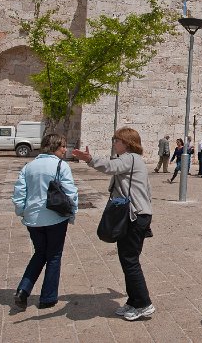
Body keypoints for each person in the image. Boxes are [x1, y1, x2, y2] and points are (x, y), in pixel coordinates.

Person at [73, 128, 154, 321]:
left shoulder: (130, 158)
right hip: (137, 215)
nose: (113, 143)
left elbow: (109, 166)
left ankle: (144, 303)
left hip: (134, 216)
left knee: (130, 260)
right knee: (127, 259)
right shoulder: (133, 161)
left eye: (116, 140)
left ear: (126, 143)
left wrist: (89, 159)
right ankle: (134, 301)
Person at [12, 133, 78, 310]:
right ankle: (48, 297)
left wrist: (22, 212)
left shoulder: (29, 166)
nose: (65, 150)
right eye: (63, 146)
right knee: (54, 256)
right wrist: (72, 212)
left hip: (33, 219)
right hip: (55, 217)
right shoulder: (61, 165)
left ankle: (23, 290)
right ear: (54, 147)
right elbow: (70, 193)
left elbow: (19, 193)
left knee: (40, 253)